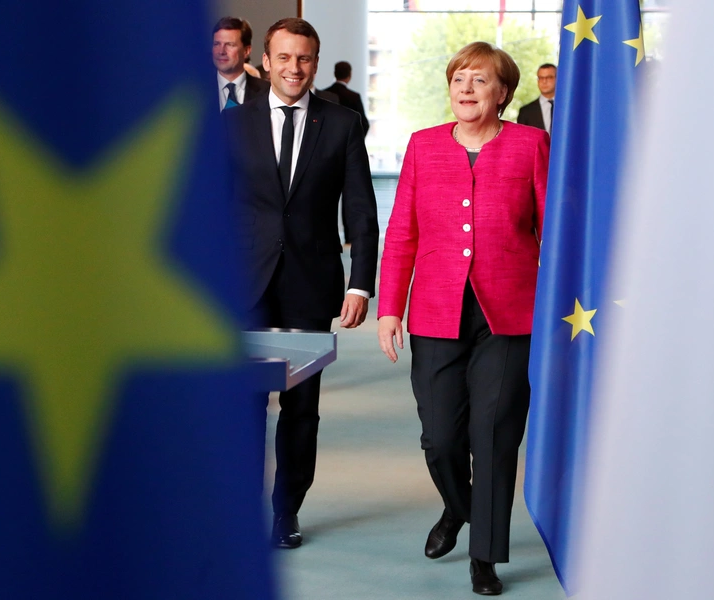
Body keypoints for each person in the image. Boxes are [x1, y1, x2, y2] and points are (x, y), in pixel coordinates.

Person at [377, 42, 548, 596]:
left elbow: (557, 231)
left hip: (510, 316)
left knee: (495, 435)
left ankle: (485, 556)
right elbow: (402, 231)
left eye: (481, 80)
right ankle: (459, 507)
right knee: (440, 438)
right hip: (434, 309)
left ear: (504, 93)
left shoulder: (531, 144)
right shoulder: (423, 147)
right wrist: (388, 309)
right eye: (459, 79)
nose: (467, 88)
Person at [224, 18, 379, 550]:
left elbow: (360, 209)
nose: (295, 68)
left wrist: (360, 285)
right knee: (243, 403)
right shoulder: (229, 124)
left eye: (305, 58)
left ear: (315, 62)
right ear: (265, 60)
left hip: (310, 288)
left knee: (301, 407)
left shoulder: (341, 125)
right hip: (243, 286)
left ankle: (285, 511)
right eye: (285, 57)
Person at [323, 61, 369, 245]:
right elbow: (364, 123)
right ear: (349, 75)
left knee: (324, 196)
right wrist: (355, 143)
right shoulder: (353, 96)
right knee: (350, 196)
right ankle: (349, 237)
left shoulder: (324, 94)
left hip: (325, 152)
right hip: (346, 153)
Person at [212, 16, 269, 111]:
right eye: (216, 44)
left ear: (246, 51)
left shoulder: (268, 92)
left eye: (230, 45)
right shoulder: (196, 92)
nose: (221, 51)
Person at [517, 63, 556, 133]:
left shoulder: (568, 108)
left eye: (549, 77)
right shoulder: (525, 111)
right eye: (540, 78)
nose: (544, 81)